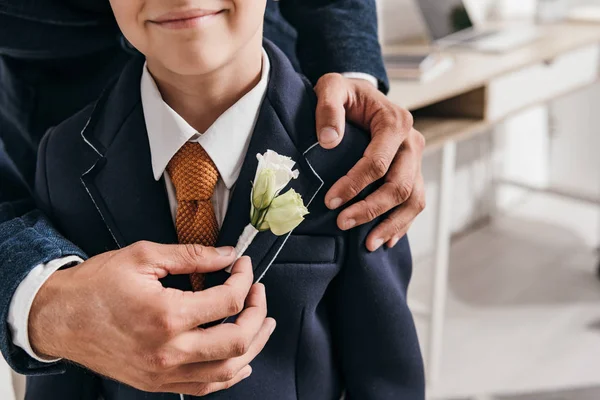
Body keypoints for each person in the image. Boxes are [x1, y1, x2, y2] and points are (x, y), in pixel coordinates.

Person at [0, 0, 426, 396]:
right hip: (42, 84)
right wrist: (43, 302)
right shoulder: (60, 159)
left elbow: (387, 377)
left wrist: (350, 105)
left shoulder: (349, 159)